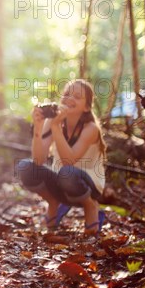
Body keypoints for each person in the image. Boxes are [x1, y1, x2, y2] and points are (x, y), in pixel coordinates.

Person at [16, 79, 106, 235]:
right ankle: (53, 201)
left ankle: (90, 205)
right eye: (66, 94)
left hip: (89, 184)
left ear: (86, 107)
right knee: (25, 167)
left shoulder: (91, 129)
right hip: (61, 181)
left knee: (67, 173)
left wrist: (55, 127)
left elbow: (69, 161)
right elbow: (39, 159)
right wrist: (38, 127)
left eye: (77, 96)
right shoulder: (53, 121)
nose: (70, 99)